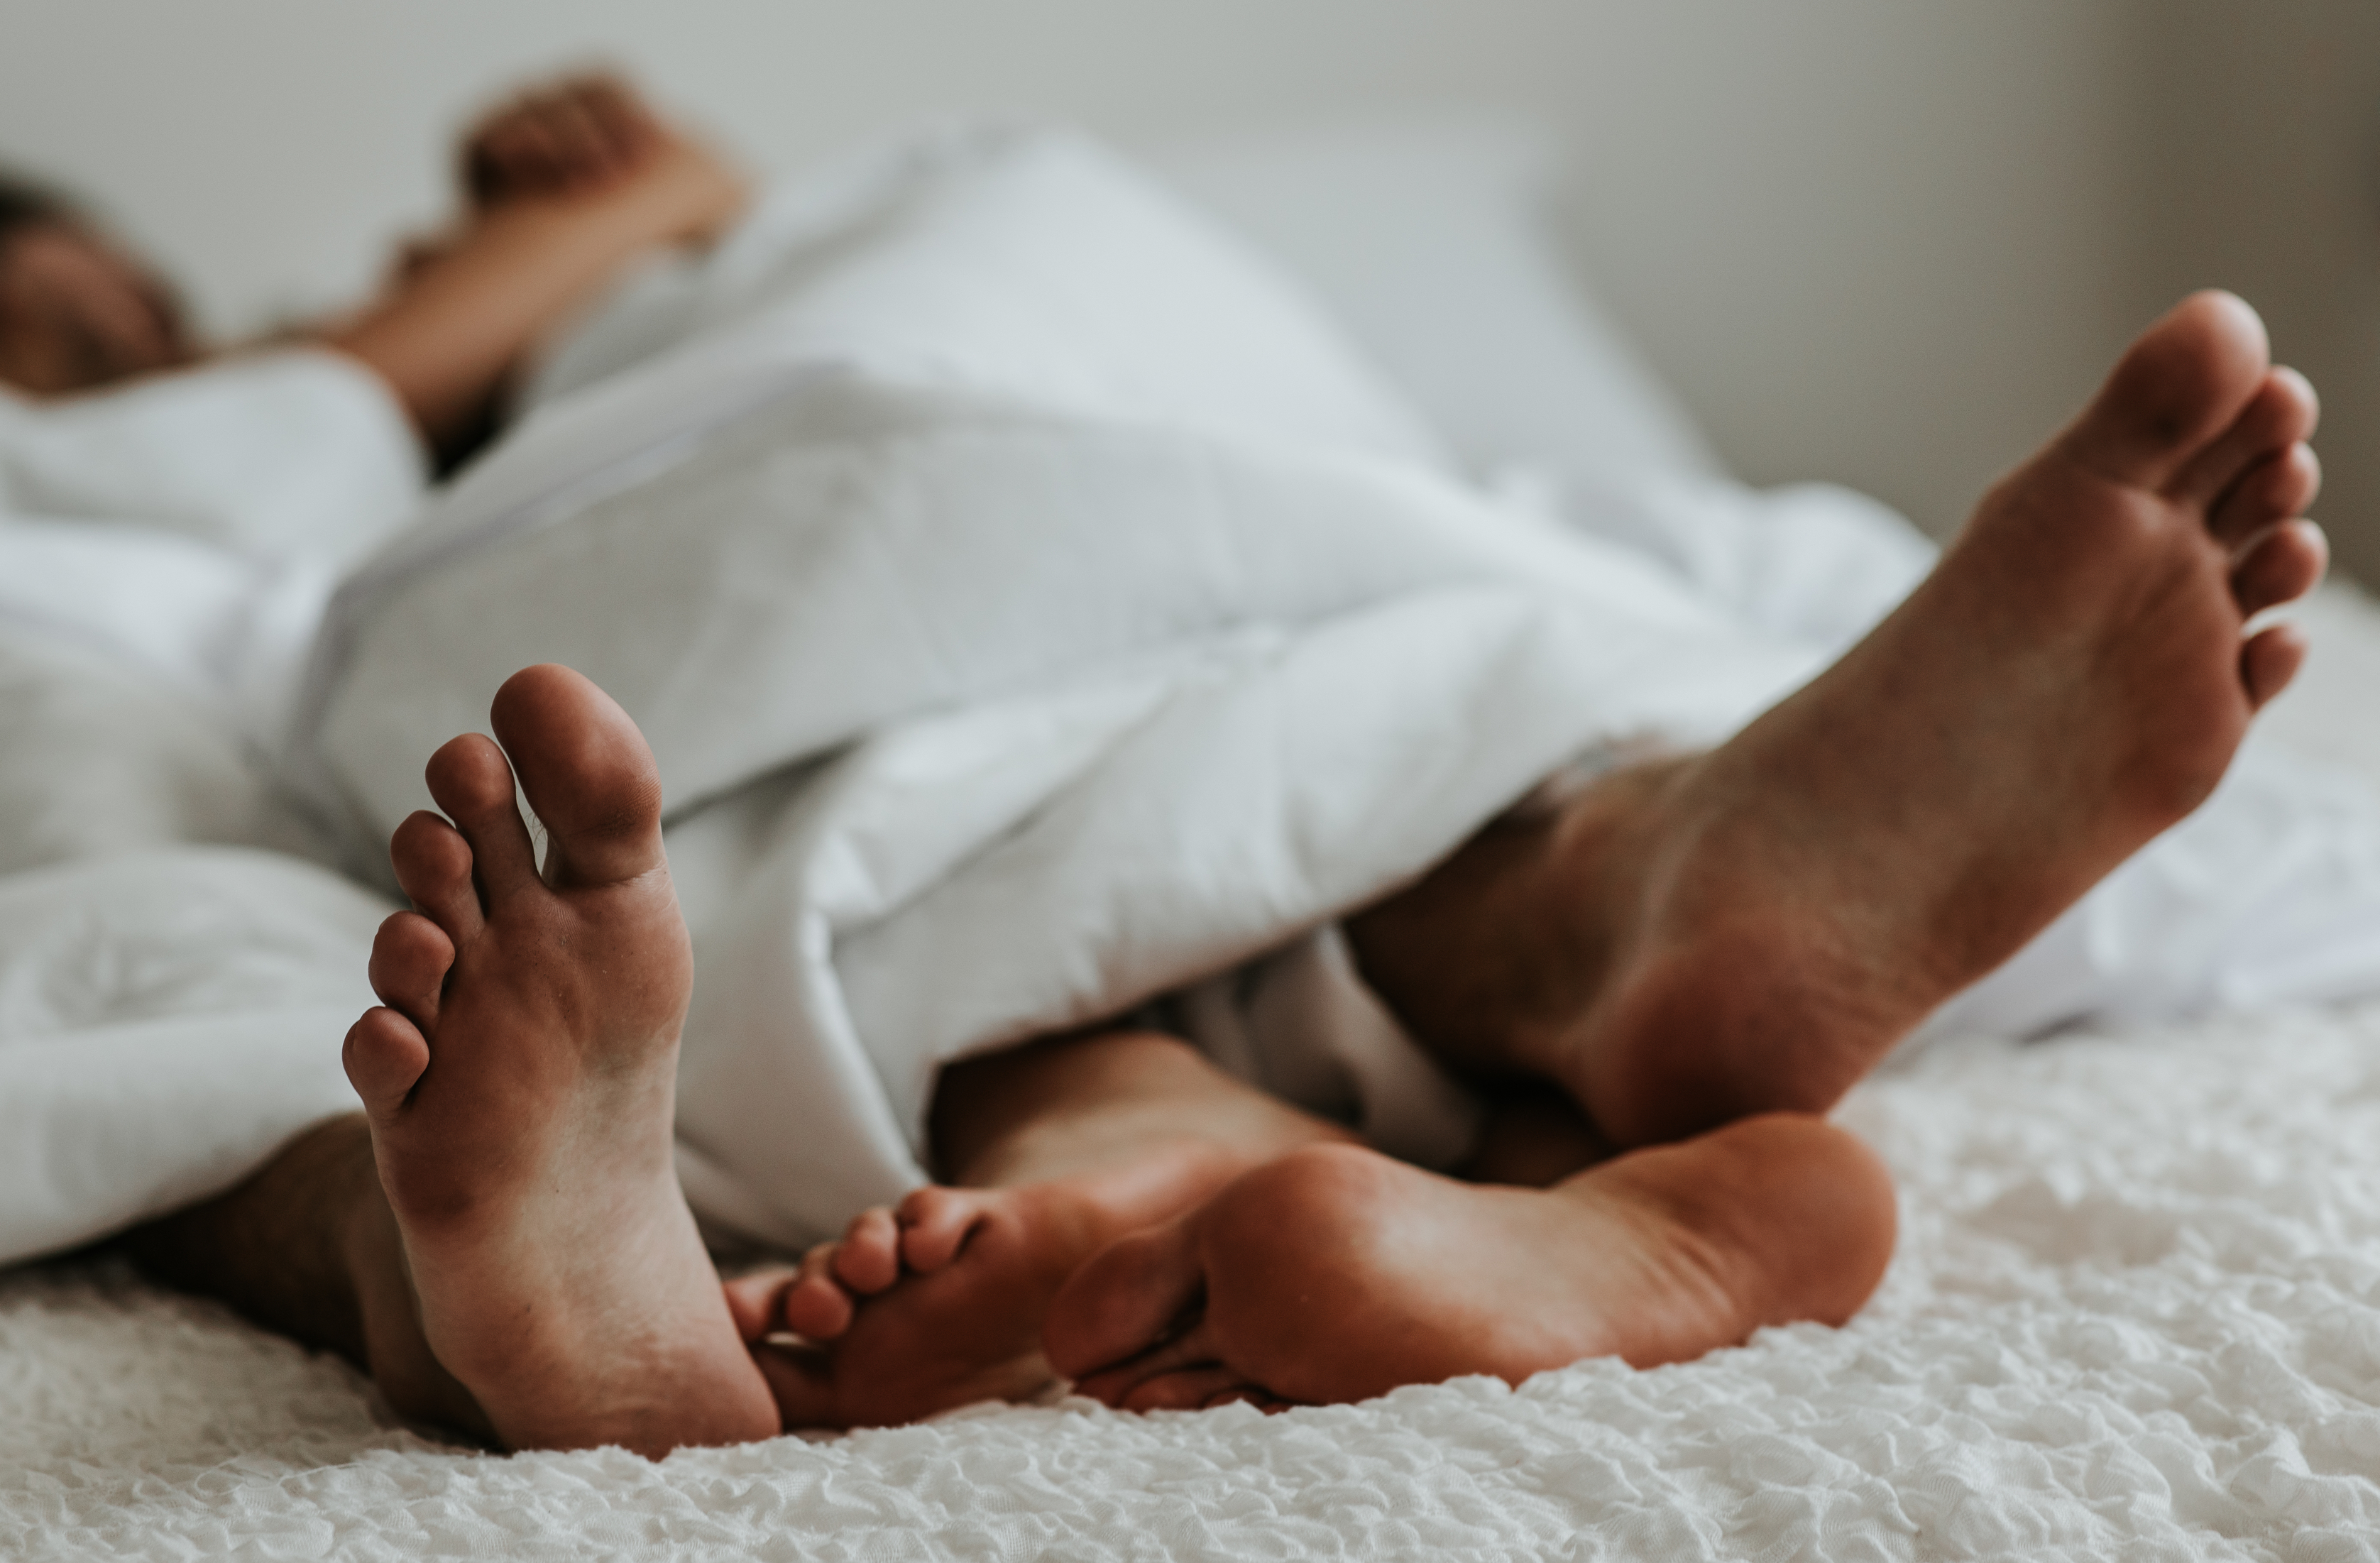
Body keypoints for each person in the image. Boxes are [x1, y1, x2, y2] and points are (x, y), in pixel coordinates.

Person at [114, 283, 2327, 1453]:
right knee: (1235, 734)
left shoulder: (670, 282)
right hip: (1093, 547)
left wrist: (580, 218)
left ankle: (531, 1295)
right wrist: (570, 221)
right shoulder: (259, 415)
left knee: (156, 1031)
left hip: (865, 526)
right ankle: (1600, 921)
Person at [0, 72, 749, 470]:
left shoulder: (318, 357)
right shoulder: (266, 418)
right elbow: (342, 402)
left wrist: (518, 210)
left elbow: (697, 180)